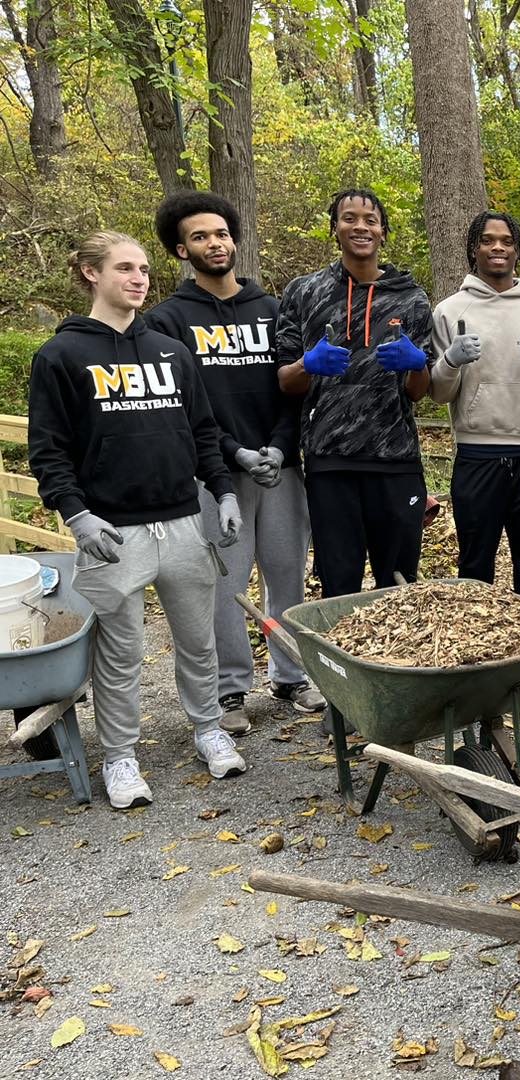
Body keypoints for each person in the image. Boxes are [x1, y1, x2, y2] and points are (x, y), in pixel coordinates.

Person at [27, 231, 249, 809]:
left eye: (145, 269)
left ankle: (208, 728)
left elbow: (204, 432)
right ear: (89, 274)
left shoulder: (172, 351)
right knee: (119, 652)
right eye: (124, 268)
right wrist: (76, 516)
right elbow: (48, 449)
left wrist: (222, 493)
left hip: (181, 523)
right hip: (112, 530)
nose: (139, 278)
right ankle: (120, 757)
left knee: (197, 643)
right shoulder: (61, 357)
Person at [147, 191, 325, 734]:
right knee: (223, 584)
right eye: (199, 236)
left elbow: (292, 388)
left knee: (287, 572)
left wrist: (276, 446)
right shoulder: (166, 321)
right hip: (214, 475)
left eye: (221, 233)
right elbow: (180, 404)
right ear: (181, 249)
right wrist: (232, 453)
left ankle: (291, 674)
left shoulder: (272, 310)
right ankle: (230, 690)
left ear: (234, 239)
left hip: (280, 467)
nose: (214, 243)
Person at [430, 211, 520, 690]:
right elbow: (436, 393)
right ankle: (480, 659)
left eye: (507, 241)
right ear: (474, 248)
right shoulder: (449, 311)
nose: (498, 248)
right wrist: (451, 361)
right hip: (476, 454)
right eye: (488, 241)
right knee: (476, 563)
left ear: (517, 249)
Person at [276, 188, 434, 597]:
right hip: (329, 459)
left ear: (383, 231)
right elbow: (284, 381)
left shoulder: (411, 298)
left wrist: (417, 364)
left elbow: (419, 393)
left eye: (370, 219)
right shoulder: (303, 291)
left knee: (398, 584)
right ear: (335, 228)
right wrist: (307, 365)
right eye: (349, 218)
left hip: (395, 458)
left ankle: (394, 663)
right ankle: (339, 661)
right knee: (338, 582)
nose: (360, 226)